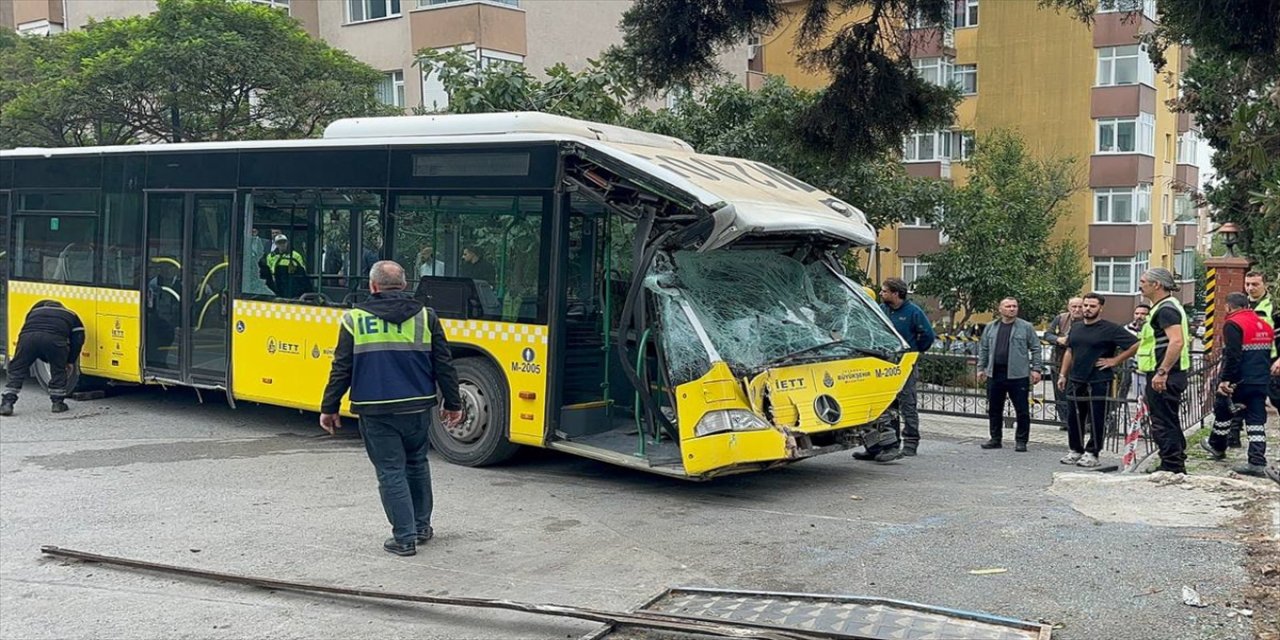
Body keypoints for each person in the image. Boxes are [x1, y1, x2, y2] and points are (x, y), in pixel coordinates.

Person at [320, 261, 464, 557]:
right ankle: (421, 527)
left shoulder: (354, 319)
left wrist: (329, 407)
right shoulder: (427, 316)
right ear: (405, 284)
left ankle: (404, 538)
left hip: (376, 411)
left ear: (373, 286)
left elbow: (341, 368)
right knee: (417, 463)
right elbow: (444, 365)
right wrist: (453, 403)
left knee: (390, 470)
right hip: (417, 407)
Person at [854, 277, 936, 462]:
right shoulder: (882, 310)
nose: (881, 293)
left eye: (884, 291)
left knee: (907, 402)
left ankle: (910, 443)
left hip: (905, 364)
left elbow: (928, 336)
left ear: (896, 293)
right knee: (882, 405)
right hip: (883, 364)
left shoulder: (913, 312)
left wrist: (914, 352)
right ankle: (878, 446)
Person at [1057, 293, 1138, 467]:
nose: (1087, 309)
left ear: (1100, 308)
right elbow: (1070, 351)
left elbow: (1135, 344)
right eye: (1085, 305)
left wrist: (1115, 361)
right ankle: (1075, 450)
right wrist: (1063, 374)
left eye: (1092, 306)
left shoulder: (1111, 329)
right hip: (1076, 378)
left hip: (1098, 379)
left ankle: (1092, 452)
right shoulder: (1076, 327)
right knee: (1074, 417)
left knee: (1096, 417)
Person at [1200, 293, 1275, 477]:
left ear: (1228, 307)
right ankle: (1257, 460)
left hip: (1240, 380)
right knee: (1256, 420)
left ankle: (1218, 446)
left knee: (1223, 410)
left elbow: (1233, 356)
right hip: (1261, 379)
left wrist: (1225, 380)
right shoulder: (1264, 325)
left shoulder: (1233, 324)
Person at [1136, 268, 1191, 474]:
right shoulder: (1166, 306)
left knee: (1162, 422)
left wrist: (1162, 371)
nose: (1140, 285)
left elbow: (1176, 341)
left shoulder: (1166, 310)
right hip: (1171, 372)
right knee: (1169, 419)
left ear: (1156, 285)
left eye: (1143, 281)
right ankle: (1174, 461)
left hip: (1166, 374)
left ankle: (1172, 466)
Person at [977, 297, 1044, 452]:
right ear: (1000, 309)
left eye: (1014, 306)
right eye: (1008, 306)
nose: (1012, 309)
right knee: (994, 409)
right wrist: (981, 368)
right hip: (995, 373)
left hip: (1017, 375)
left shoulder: (1026, 327)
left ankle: (1021, 441)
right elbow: (984, 348)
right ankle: (995, 438)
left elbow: (1036, 348)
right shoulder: (991, 327)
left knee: (1022, 410)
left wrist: (1036, 369)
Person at [1, 300, 86, 416]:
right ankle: (57, 403)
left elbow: (27, 327)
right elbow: (78, 339)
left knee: (17, 369)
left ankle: (7, 403)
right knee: (58, 369)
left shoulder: (34, 312)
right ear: (62, 307)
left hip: (28, 339)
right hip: (54, 341)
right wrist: (70, 361)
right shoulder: (71, 314)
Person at [1243, 271, 1279, 414]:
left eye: (1255, 284)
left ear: (1265, 284)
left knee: (1277, 397)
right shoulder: (1241, 304)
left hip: (1271, 360)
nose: (1251, 288)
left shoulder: (1274, 306)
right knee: (1246, 401)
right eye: (1247, 284)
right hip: (1247, 360)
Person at [1045, 297, 1084, 425]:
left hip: (1080, 364)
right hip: (1059, 362)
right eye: (1074, 307)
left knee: (1079, 394)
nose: (1077, 310)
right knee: (1060, 393)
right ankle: (1065, 421)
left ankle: (1080, 421)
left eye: (1080, 306)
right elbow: (1047, 334)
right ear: (1069, 307)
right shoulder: (1061, 318)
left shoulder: (1089, 319)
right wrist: (1058, 339)